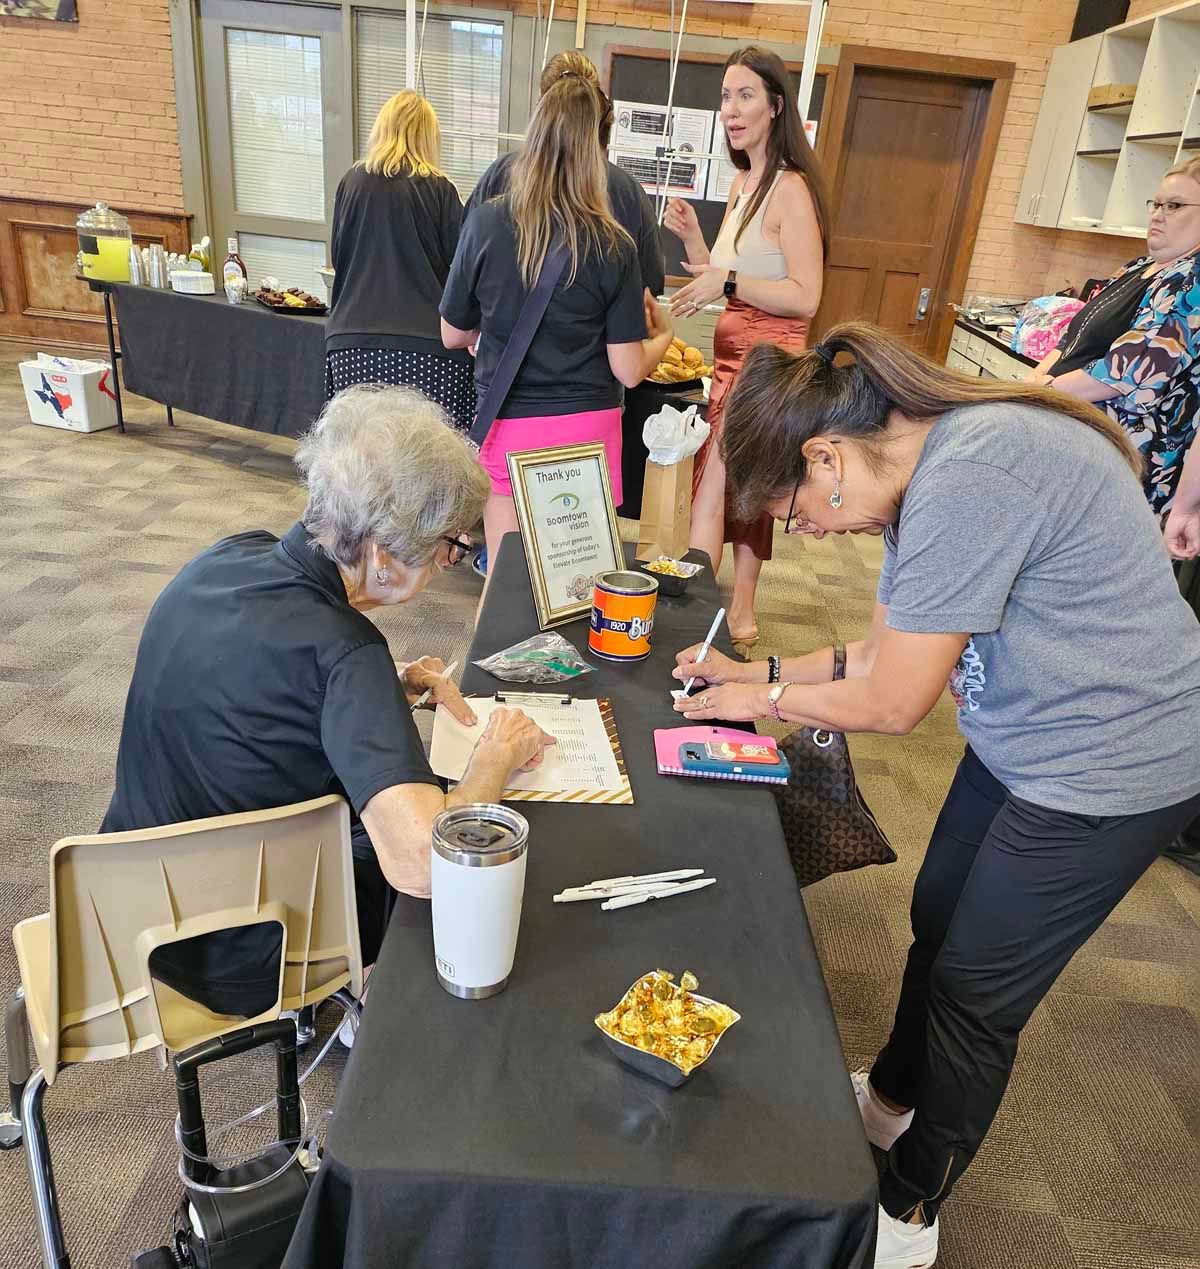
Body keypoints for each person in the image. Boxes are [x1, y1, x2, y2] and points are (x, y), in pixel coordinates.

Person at [669, 324, 1200, 1268]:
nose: (807, 532)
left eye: (796, 511)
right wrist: (750, 678)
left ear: (825, 455)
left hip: (1112, 762)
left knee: (974, 993)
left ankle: (909, 1207)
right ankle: (886, 1104)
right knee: (937, 917)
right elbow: (879, 652)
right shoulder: (924, 470)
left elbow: (893, 701)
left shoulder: (973, 470)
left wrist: (769, 694)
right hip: (1025, 732)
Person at [101, 386, 554, 1020]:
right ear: (383, 555)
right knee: (419, 866)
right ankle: (385, 1014)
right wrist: (495, 758)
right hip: (239, 956)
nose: (452, 562)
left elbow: (244, 687)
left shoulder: (226, 557)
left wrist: (378, 690)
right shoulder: (346, 654)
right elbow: (426, 861)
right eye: (451, 547)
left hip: (123, 905)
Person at [440, 76, 673, 604]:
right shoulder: (615, 244)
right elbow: (630, 370)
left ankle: (487, 685)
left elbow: (453, 332)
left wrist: (488, 328)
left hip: (509, 422)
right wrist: (665, 336)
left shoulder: (484, 224)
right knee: (577, 589)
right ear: (597, 149)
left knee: (503, 584)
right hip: (588, 428)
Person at [664, 46, 828, 646]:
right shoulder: (741, 185)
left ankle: (705, 612)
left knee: (713, 484)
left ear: (775, 106)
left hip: (767, 364)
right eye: (726, 96)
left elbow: (805, 295)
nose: (731, 110)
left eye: (745, 96)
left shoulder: (791, 189)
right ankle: (734, 609)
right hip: (731, 360)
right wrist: (698, 244)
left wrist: (726, 279)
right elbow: (730, 275)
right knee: (737, 484)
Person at [1027, 156, 1200, 515]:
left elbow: (1124, 374)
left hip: (1121, 456)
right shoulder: (1137, 267)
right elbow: (1076, 333)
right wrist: (1036, 381)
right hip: (1070, 430)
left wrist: (1036, 393)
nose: (1158, 215)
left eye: (1175, 206)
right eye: (1157, 204)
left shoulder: (1191, 282)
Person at [325, 91, 475, 431]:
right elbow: (462, 273)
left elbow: (338, 256)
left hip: (352, 342)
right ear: (428, 137)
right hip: (428, 349)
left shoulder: (350, 184)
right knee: (432, 464)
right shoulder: (439, 190)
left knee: (355, 459)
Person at [465, 51, 666, 299]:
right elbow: (648, 290)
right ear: (597, 109)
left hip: (503, 335)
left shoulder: (500, 177)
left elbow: (465, 271)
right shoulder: (628, 193)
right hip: (600, 337)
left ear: (540, 106)